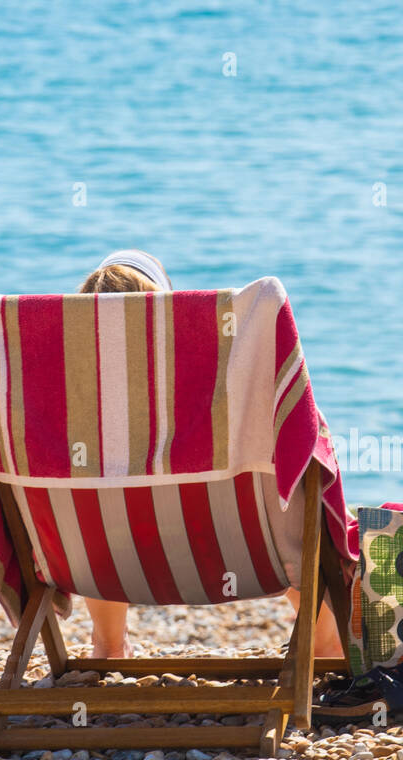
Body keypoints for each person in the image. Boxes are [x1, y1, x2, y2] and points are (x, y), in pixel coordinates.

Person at [76, 250, 344, 661]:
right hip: (237, 556)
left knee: (97, 506)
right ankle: (324, 641)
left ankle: (109, 646)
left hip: (116, 566)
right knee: (282, 463)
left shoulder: (61, 425)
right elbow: (306, 451)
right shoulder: (229, 410)